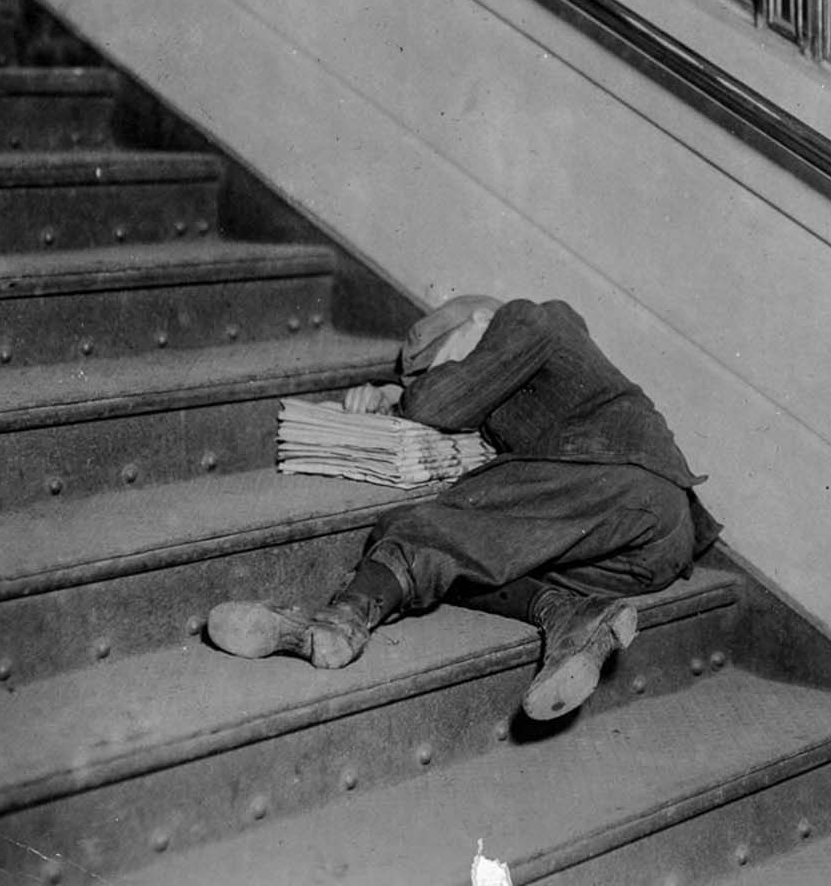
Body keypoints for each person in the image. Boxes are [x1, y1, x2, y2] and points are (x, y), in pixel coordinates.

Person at [208, 295, 721, 720]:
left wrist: (399, 395)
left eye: (443, 360)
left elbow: (439, 404)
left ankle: (336, 623)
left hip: (619, 479)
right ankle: (569, 616)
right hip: (647, 553)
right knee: (480, 561)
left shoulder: (528, 317)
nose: (445, 372)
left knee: (423, 530)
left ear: (477, 323)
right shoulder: (548, 376)